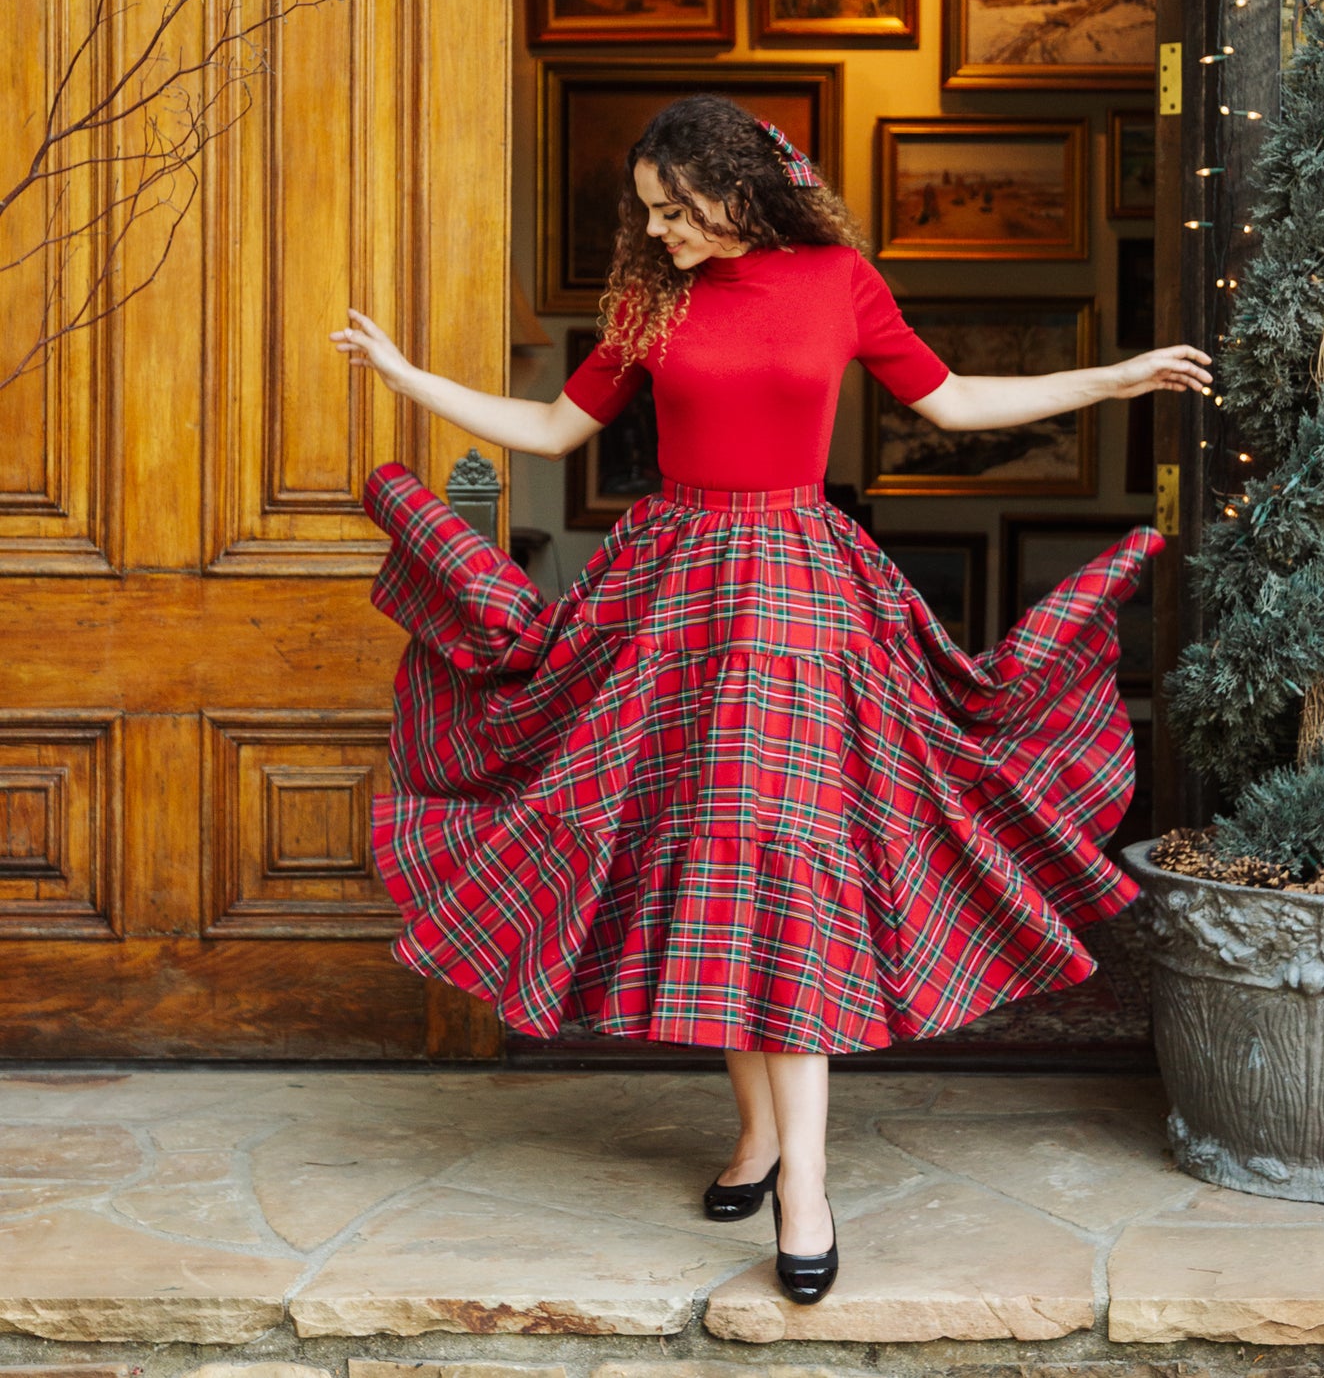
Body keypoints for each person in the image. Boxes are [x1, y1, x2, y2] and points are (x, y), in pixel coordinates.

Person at [331, 95, 1212, 1305]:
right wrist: (405, 377)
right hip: (669, 600)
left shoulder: (838, 281)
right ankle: (754, 1139)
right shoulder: (649, 299)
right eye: (645, 211)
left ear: (732, 188)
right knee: (710, 861)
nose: (656, 229)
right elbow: (548, 425)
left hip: (799, 598)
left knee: (782, 872)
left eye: (671, 209)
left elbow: (951, 402)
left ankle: (804, 1184)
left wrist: (1113, 379)